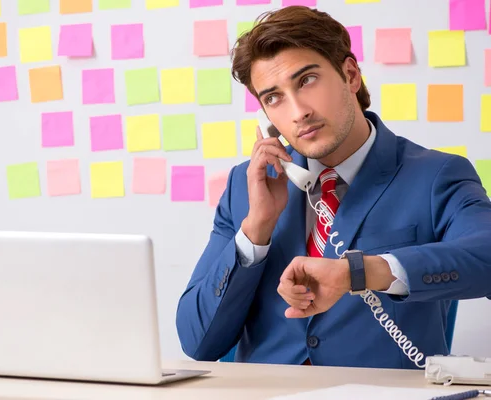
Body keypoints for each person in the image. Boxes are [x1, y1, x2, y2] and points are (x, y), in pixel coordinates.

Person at [175, 6, 491, 369]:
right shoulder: (247, 186)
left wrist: (360, 273)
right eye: (273, 97)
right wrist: (256, 229)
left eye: (307, 80)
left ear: (350, 75)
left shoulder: (436, 175)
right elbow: (197, 342)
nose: (298, 112)